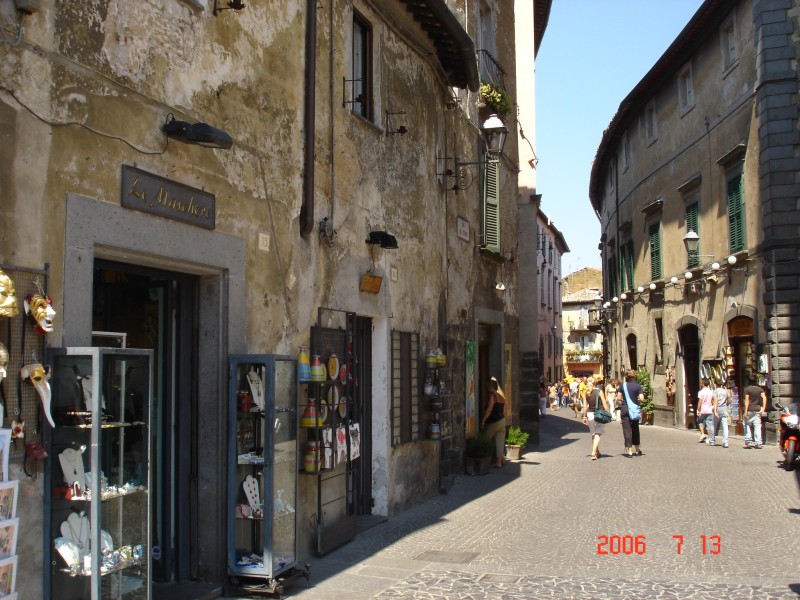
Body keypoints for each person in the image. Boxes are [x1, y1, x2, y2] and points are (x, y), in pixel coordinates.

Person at [481, 377, 507, 468]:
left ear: (491, 388)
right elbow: (504, 411)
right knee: (500, 442)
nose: (488, 389)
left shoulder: (493, 397)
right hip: (502, 421)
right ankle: (500, 461)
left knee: (486, 439)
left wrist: (483, 420)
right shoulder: (501, 397)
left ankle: (484, 458)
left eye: (488, 387)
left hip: (494, 421)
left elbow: (489, 409)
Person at [581, 377, 608, 460]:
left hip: (589, 414)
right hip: (598, 414)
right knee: (598, 433)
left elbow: (585, 406)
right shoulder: (599, 391)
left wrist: (584, 416)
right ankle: (593, 452)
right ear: (595, 383)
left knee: (593, 434)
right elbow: (604, 403)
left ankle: (597, 452)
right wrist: (608, 412)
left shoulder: (586, 392)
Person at [618, 370, 643, 456]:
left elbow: (618, 398)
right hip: (634, 409)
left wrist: (624, 400)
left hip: (625, 408)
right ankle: (637, 449)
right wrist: (637, 399)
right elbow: (642, 398)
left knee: (626, 429)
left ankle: (629, 451)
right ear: (634, 376)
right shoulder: (638, 386)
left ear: (626, 377)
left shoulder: (622, 386)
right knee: (635, 428)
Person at [742, 376, 768, 449]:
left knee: (746, 425)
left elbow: (747, 400)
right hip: (757, 409)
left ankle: (748, 441)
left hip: (750, 409)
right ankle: (758, 442)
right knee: (757, 426)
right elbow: (764, 398)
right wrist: (763, 408)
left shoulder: (747, 389)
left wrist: (746, 411)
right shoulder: (760, 389)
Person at [711, 379, 730, 448]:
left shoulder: (715, 391)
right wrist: (726, 404)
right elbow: (729, 400)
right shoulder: (725, 391)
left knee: (713, 425)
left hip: (718, 408)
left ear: (715, 384)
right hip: (724, 409)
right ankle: (725, 442)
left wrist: (715, 411)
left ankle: (712, 440)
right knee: (725, 426)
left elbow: (715, 401)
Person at [696, 378, 715, 444]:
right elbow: (713, 400)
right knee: (709, 424)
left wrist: (698, 409)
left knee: (700, 421)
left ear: (703, 384)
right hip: (709, 410)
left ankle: (703, 434)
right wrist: (712, 406)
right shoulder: (711, 391)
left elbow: (700, 402)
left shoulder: (701, 392)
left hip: (702, 410)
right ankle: (709, 438)